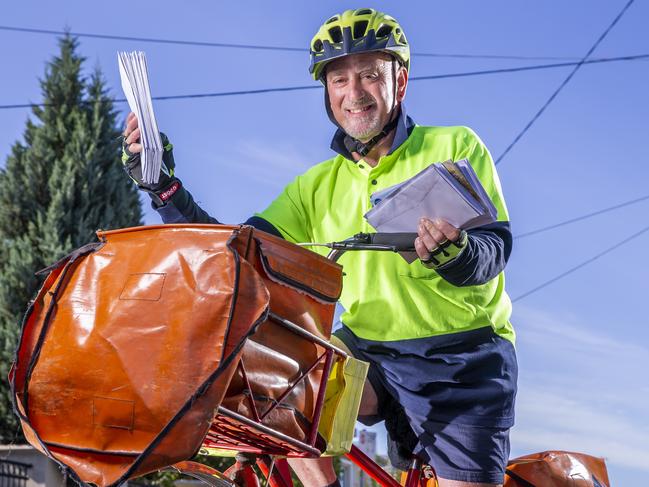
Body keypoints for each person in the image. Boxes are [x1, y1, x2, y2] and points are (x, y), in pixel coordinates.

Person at [122, 8, 517, 487]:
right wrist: (163, 186)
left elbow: (493, 248)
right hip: (370, 352)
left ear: (401, 82)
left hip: (463, 362)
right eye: (339, 80)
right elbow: (236, 254)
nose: (355, 93)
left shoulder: (454, 144)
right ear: (327, 93)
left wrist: (456, 253)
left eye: (370, 75)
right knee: (279, 383)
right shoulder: (315, 187)